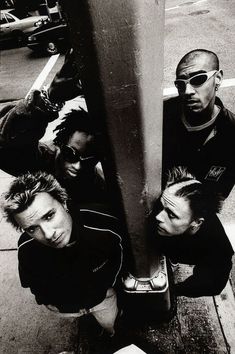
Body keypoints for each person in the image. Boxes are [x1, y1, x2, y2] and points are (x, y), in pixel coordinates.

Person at [1, 171, 123, 335]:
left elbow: (122, 257)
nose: (49, 234)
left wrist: (109, 287)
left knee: (110, 325)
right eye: (32, 228)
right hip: (66, 308)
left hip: (102, 300)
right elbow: (32, 282)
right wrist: (50, 302)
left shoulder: (103, 226)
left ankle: (110, 334)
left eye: (49, 216)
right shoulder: (27, 250)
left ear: (64, 202)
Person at [0, 50, 106, 204]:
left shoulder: (95, 182)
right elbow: (6, 144)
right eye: (71, 154)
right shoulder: (42, 162)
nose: (77, 166)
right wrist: (49, 99)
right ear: (60, 143)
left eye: (88, 161)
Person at [151, 166, 234, 297]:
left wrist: (174, 290)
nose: (158, 216)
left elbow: (212, 284)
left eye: (171, 215)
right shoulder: (166, 201)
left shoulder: (217, 246)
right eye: (161, 206)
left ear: (196, 222)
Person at [163, 49, 235, 199]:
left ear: (218, 78)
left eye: (198, 79)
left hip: (195, 212)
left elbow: (217, 195)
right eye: (180, 84)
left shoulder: (231, 131)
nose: (188, 91)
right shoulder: (160, 115)